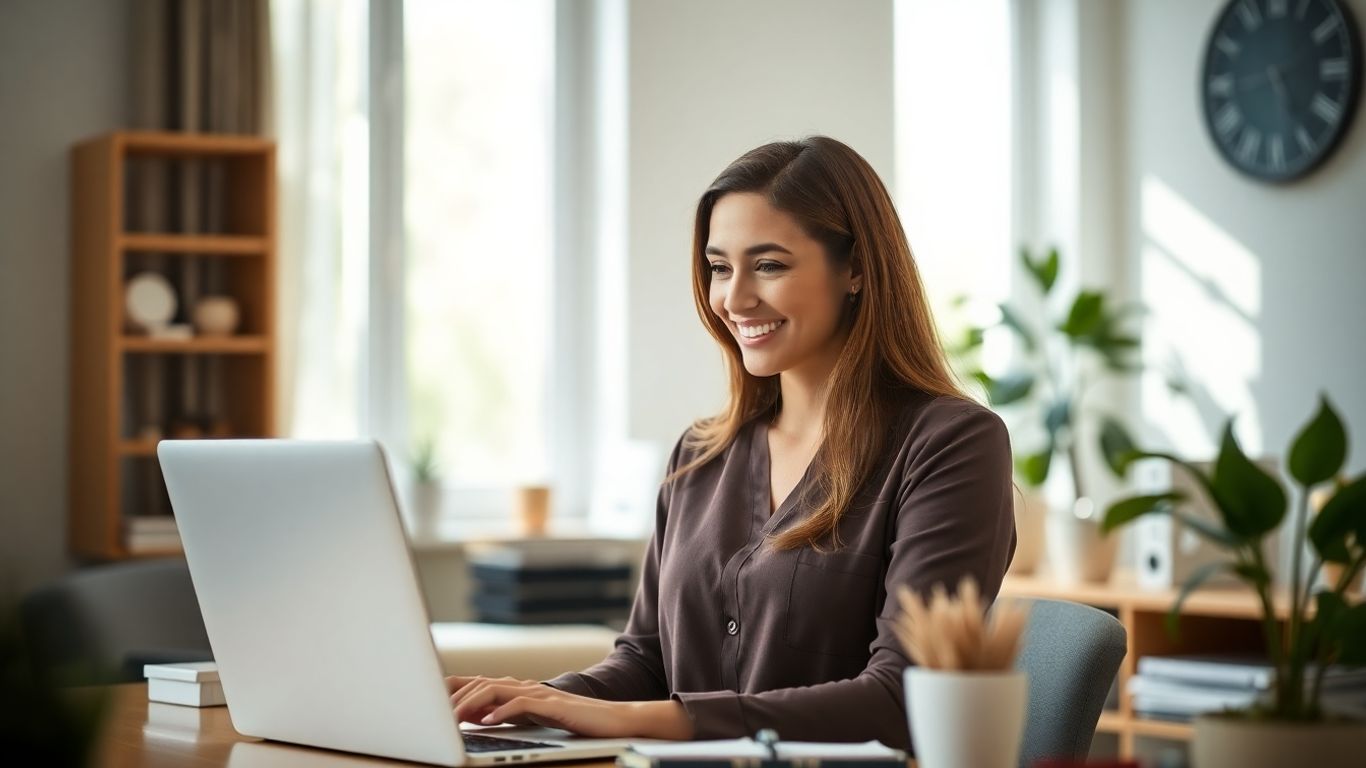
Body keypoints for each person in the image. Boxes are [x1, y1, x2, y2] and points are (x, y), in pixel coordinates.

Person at [446, 136, 1016, 748]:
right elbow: (645, 664)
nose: (734, 299)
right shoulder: (699, 455)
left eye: (768, 265)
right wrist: (535, 703)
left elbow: (901, 696)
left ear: (855, 269)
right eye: (720, 268)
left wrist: (644, 721)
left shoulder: (951, 445)